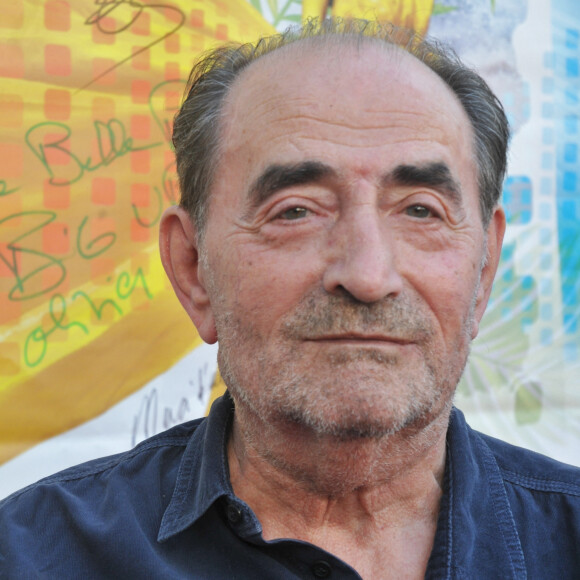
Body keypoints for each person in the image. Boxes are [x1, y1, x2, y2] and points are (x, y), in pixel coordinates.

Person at [1, 18, 579, 579]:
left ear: (483, 272)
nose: (368, 274)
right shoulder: (33, 557)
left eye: (421, 210)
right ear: (193, 268)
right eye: (296, 211)